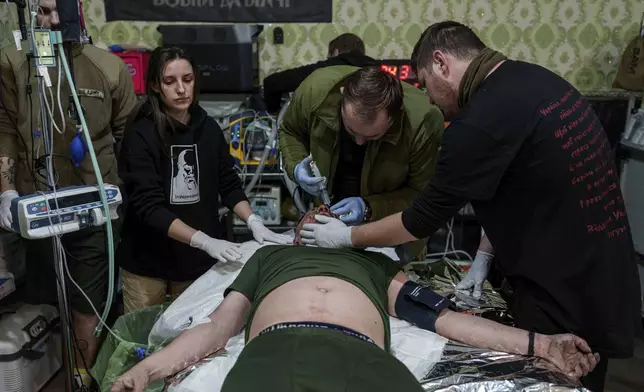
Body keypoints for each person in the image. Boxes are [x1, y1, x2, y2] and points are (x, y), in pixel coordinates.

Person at [298, 21, 642, 392]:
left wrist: (348, 236)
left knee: (563, 376)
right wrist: (484, 257)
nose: (429, 98)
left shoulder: (478, 123)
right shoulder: (534, 82)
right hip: (604, 273)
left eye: (427, 83)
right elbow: (515, 187)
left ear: (441, 63)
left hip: (563, 291)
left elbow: (421, 218)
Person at [110, 212, 599, 392]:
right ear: (299, 230)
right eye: (312, 215)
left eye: (332, 216)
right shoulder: (270, 258)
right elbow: (216, 330)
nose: (320, 216)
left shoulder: (375, 266)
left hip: (364, 359)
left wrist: (542, 345)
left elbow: (449, 322)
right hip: (279, 351)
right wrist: (149, 370)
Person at [0, 0, 138, 386]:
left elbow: (128, 133)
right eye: (43, 10)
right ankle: (60, 372)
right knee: (48, 299)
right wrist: (7, 191)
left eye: (61, 9)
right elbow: (6, 129)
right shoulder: (13, 62)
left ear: (78, 10)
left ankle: (80, 377)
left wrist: (121, 192)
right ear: (29, 13)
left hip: (95, 205)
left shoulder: (107, 66)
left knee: (88, 303)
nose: (54, 19)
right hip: (39, 202)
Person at [117, 47, 290, 314]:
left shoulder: (207, 129)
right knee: (141, 345)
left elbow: (229, 184)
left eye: (187, 79)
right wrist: (205, 240)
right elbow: (149, 208)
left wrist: (254, 222)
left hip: (195, 265)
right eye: (169, 81)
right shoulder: (141, 134)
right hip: (147, 266)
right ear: (154, 86)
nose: (181, 89)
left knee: (191, 342)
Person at [279, 65, 444, 258]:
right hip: (329, 221)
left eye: (373, 135)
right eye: (351, 130)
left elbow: (422, 197)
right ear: (342, 96)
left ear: (396, 114)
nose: (359, 142)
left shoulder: (424, 122)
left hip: (391, 230)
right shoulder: (316, 93)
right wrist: (297, 165)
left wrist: (370, 207)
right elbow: (290, 131)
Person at [263, 33, 378, 112]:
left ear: (336, 53)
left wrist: (273, 111)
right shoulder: (380, 70)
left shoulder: (326, 67)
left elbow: (271, 82)